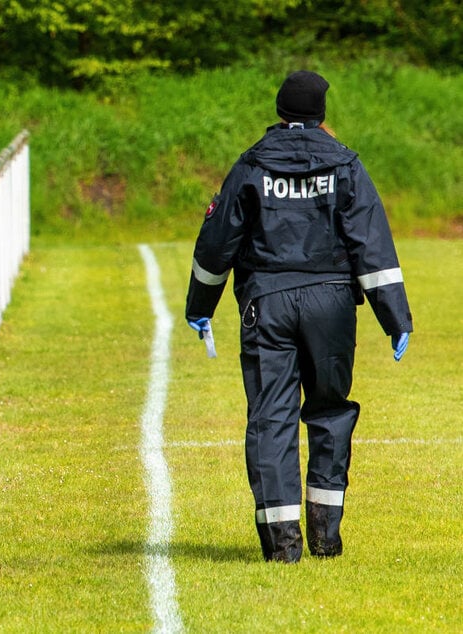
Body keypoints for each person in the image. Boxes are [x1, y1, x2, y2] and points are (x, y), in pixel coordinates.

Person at [184, 70, 413, 563]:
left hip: (265, 304)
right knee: (329, 412)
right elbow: (372, 247)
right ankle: (326, 540)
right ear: (321, 114)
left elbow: (217, 242)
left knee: (271, 419)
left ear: (280, 110)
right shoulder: (346, 164)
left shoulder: (251, 165)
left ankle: (282, 547)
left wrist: (199, 308)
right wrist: (396, 318)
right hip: (331, 306)